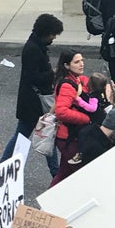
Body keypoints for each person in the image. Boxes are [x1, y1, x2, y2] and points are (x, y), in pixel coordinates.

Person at [2, 13, 62, 176]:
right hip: (33, 102)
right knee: (30, 135)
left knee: (44, 134)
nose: (53, 38)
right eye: (53, 34)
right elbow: (34, 77)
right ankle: (3, 165)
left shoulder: (36, 45)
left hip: (33, 101)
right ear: (45, 32)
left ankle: (55, 171)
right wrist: (53, 74)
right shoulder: (33, 50)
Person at [49, 50, 90, 185]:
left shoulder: (78, 80)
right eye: (76, 62)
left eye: (82, 60)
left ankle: (47, 204)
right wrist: (86, 119)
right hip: (68, 138)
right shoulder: (67, 85)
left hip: (70, 136)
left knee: (63, 174)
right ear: (67, 65)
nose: (81, 64)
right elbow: (61, 112)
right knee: (81, 174)